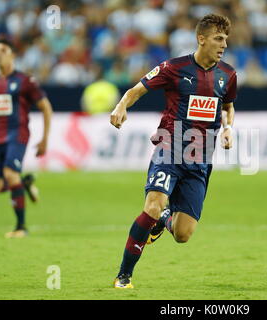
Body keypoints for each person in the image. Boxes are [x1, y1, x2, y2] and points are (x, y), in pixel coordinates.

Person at [110, 13, 237, 289]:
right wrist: (121, 105)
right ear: (201, 39)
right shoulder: (173, 68)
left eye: (225, 39)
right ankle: (124, 275)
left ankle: (165, 219)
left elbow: (227, 106)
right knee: (153, 204)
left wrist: (228, 128)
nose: (223, 44)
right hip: (170, 148)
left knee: (183, 234)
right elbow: (137, 89)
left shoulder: (227, 74)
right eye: (218, 38)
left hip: (200, 159)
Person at [0, 38, 53, 238]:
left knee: (10, 174)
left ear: (12, 54)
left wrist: (45, 138)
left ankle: (21, 227)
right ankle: (24, 184)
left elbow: (45, 107)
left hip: (17, 134)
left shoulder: (25, 81)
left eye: (3, 50)